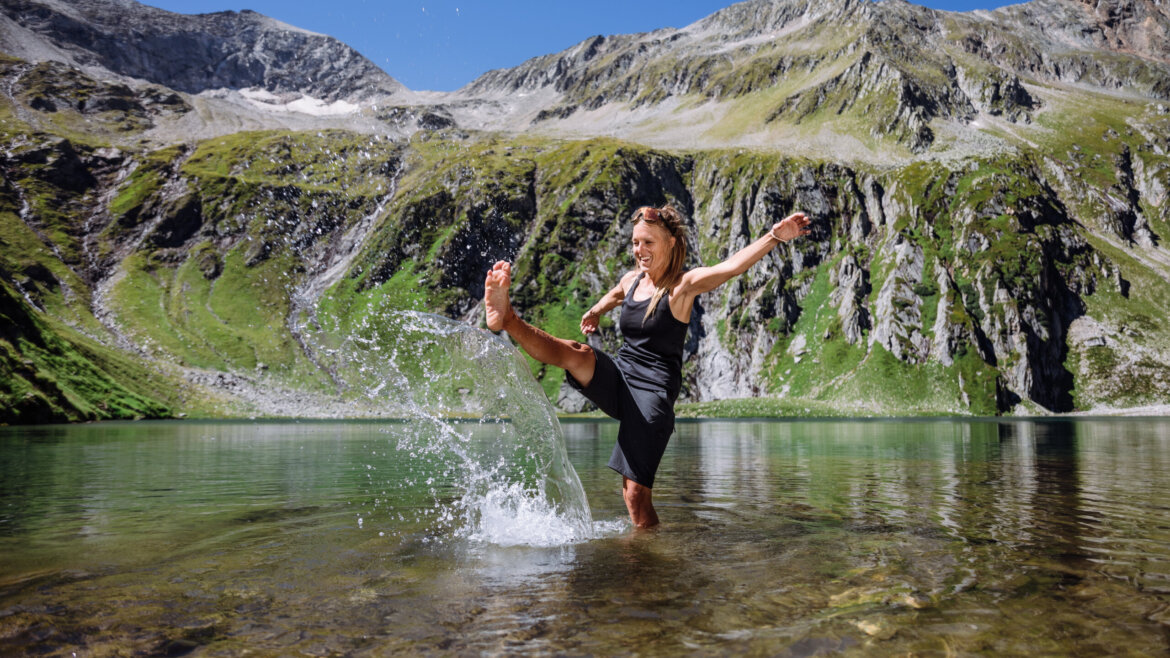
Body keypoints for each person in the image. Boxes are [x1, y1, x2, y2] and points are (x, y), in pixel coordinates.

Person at [484, 204, 811, 528]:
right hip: (621, 376)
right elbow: (616, 293)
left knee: (634, 496)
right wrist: (596, 310)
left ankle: (648, 552)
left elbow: (731, 268)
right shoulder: (632, 280)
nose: (640, 250)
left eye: (648, 242)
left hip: (653, 395)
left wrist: (773, 236)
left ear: (670, 242)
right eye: (636, 242)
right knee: (577, 352)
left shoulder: (682, 287)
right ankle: (508, 318)